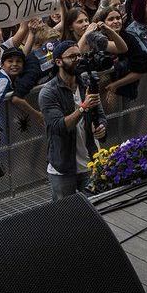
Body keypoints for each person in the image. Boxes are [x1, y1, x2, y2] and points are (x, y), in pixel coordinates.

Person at [38, 40, 106, 200]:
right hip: (63, 168)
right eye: (72, 56)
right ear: (58, 62)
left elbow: (101, 115)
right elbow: (59, 127)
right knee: (66, 212)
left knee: (96, 207)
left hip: (90, 162)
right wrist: (83, 107)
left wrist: (102, 127)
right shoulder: (48, 92)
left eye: (79, 55)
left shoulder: (87, 83)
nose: (78, 59)